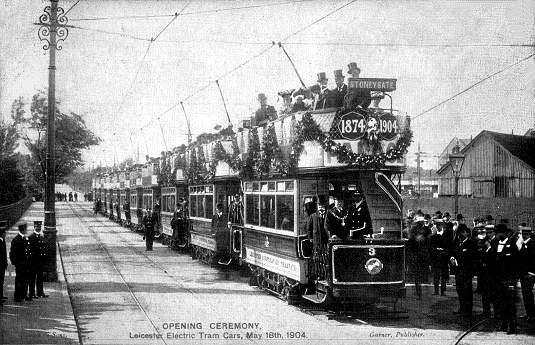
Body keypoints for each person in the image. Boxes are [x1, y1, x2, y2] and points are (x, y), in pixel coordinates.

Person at [494, 223, 522, 334]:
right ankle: (504, 324)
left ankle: (512, 326)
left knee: (510, 304)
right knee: (502, 303)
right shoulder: (496, 244)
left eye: (498, 233)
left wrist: (514, 279)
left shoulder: (511, 244)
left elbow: (517, 263)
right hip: (499, 280)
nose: (496, 235)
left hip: (509, 280)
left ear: (504, 233)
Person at [450, 223, 476, 316]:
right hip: (458, 271)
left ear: (467, 233)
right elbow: (452, 253)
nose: (461, 235)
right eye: (459, 233)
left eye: (463, 232)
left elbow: (472, 258)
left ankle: (468, 310)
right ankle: (462, 308)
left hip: (467, 271)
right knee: (459, 290)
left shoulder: (471, 243)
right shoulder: (457, 243)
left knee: (467, 291)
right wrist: (452, 258)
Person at [407, 211, 431, 299]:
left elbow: (410, 243)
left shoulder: (417, 230)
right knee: (419, 275)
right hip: (419, 255)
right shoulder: (416, 230)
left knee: (418, 275)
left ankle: (420, 292)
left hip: (419, 255)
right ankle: (420, 292)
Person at [307, 197, 329, 280]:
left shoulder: (328, 214)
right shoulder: (313, 216)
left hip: (325, 241)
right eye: (319, 206)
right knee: (317, 259)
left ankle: (326, 274)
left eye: (322, 206)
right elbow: (309, 228)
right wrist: (310, 238)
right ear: (317, 207)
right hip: (317, 241)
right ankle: (318, 275)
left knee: (325, 258)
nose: (321, 208)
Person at [9, 223, 32, 302]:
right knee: (19, 280)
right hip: (20, 265)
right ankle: (18, 296)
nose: (27, 230)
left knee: (26, 280)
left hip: (26, 264)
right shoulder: (16, 240)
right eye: (26, 229)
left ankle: (24, 295)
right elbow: (12, 253)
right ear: (23, 230)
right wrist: (16, 263)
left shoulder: (25, 239)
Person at [429, 216, 451, 296]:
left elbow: (449, 247)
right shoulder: (433, 237)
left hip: (444, 258)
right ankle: (436, 291)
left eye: (440, 225)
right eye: (437, 225)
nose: (439, 227)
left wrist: (445, 254)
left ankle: (443, 291)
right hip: (436, 259)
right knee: (436, 276)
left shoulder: (446, 236)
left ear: (443, 226)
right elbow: (431, 249)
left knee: (444, 276)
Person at [519, 225, 535, 322]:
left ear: (529, 234)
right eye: (522, 234)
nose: (524, 235)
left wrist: (532, 273)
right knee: (525, 295)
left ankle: (532, 314)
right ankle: (528, 313)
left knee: (528, 295)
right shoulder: (523, 244)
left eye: (526, 234)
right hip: (523, 274)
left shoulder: (532, 244)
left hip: (529, 274)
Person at [28, 221, 48, 299]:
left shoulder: (41, 237)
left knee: (40, 278)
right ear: (34, 227)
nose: (38, 228)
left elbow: (43, 249)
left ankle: (40, 292)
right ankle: (32, 293)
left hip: (40, 262)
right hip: (33, 262)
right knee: (32, 278)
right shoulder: (31, 237)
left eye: (39, 227)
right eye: (37, 227)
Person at [0, 221, 8, 304]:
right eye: (5, 232)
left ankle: (1, 296)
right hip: (0, 266)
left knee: (1, 281)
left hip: (2, 265)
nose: (6, 233)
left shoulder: (2, 240)